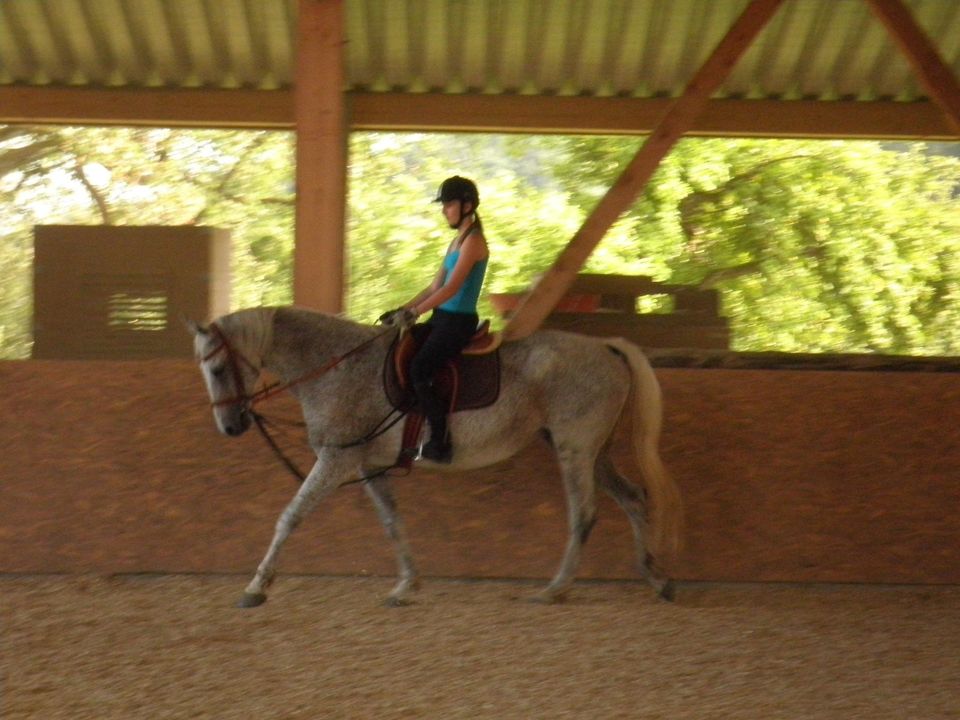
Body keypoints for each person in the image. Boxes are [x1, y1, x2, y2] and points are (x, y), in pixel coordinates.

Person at [379, 176, 489, 463]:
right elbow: (433, 287)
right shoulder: (456, 242)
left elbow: (452, 288)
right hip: (442, 317)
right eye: (444, 205)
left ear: (467, 205)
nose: (444, 210)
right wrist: (401, 309)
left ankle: (440, 441)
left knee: (419, 368)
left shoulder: (474, 242)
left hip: (458, 322)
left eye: (449, 204)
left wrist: (414, 314)